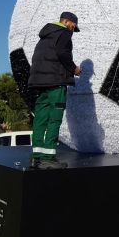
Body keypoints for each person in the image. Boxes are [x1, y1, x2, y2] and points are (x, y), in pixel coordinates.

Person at [28, 11, 82, 170]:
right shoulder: (64, 33)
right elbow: (62, 53)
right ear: (66, 21)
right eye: (73, 26)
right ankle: (48, 158)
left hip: (40, 84)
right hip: (56, 84)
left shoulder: (45, 37)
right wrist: (74, 69)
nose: (73, 30)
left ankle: (35, 157)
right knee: (54, 119)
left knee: (40, 119)